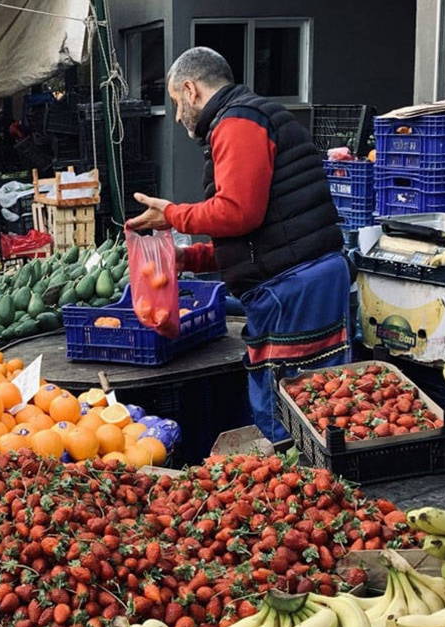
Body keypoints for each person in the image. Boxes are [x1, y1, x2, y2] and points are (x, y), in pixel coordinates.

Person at [127, 48, 349, 444]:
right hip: (305, 276)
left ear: (191, 90)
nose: (178, 118)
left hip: (292, 287)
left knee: (288, 406)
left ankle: (304, 490)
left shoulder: (237, 122)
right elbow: (262, 231)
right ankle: (315, 484)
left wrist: (173, 215)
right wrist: (188, 258)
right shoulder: (253, 117)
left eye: (177, 104)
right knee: (319, 402)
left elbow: (238, 213)